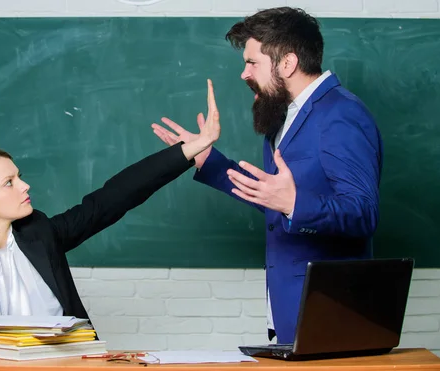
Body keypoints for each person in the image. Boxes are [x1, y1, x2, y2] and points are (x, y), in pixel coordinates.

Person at [0, 80, 221, 340]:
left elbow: (112, 199)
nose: (25, 186)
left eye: (20, 177)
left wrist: (190, 149)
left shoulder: (41, 234)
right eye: (9, 183)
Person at [152, 7, 383, 344]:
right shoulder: (282, 119)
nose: (244, 74)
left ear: (287, 63)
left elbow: (364, 212)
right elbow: (275, 200)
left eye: (252, 62)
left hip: (332, 315)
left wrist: (294, 203)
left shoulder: (341, 114)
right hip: (288, 307)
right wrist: (209, 162)